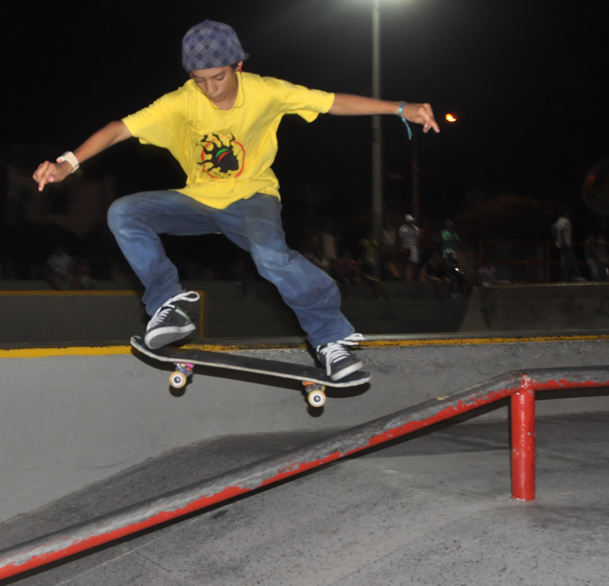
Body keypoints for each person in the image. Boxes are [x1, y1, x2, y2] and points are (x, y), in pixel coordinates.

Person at [33, 20, 439, 379]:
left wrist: (399, 108)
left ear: (238, 66)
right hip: (198, 201)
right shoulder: (180, 101)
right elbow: (119, 129)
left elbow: (332, 102)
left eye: (218, 78)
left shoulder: (268, 91)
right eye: (199, 80)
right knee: (124, 212)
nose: (210, 90)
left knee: (270, 258)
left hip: (252, 198)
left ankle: (331, 341)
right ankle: (169, 305)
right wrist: (68, 163)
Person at [551, 209, 578, 282]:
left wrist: (557, 238)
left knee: (571, 259)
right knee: (566, 262)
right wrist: (562, 240)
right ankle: (563, 278)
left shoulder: (559, 220)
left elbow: (553, 228)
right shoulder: (565, 221)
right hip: (565, 243)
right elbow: (562, 231)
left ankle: (575, 275)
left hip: (562, 243)